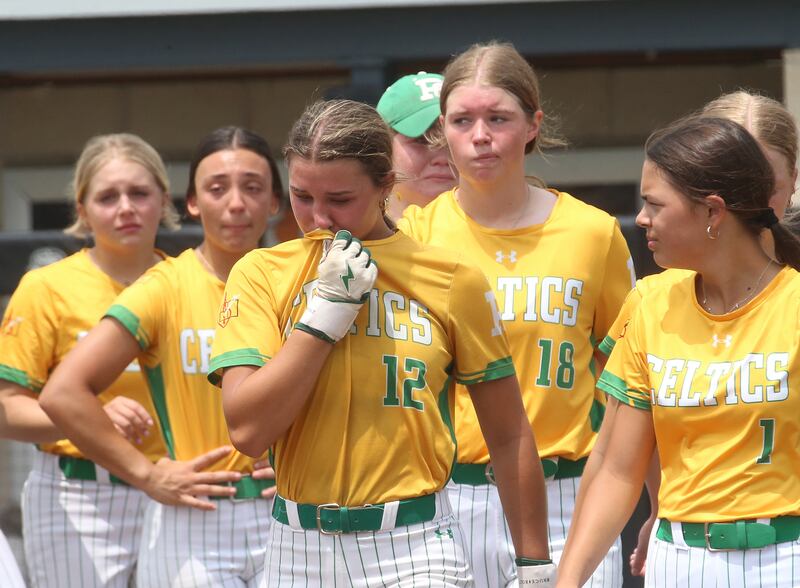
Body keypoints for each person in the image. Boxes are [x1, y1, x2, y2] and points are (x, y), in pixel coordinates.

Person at [209, 99, 555, 586]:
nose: (319, 217)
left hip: (415, 547)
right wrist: (322, 319)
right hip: (297, 546)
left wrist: (534, 562)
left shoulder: (451, 279)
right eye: (302, 196)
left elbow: (508, 432)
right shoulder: (262, 271)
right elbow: (247, 430)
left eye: (340, 198)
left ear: (386, 187)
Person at [399, 41, 632, 586]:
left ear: (532, 125)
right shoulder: (414, 237)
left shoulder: (593, 232)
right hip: (452, 499)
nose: (480, 135)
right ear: (443, 131)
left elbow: (628, 379)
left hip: (570, 492)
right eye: (462, 120)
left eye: (498, 118)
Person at [557, 115, 800, 587]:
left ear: (713, 212)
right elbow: (614, 468)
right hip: (679, 560)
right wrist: (567, 582)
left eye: (653, 204)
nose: (642, 218)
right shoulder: (649, 302)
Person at [40, 126, 283, 587]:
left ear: (275, 202)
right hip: (194, 521)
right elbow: (63, 392)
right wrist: (146, 475)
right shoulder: (163, 285)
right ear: (192, 202)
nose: (236, 203)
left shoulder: (301, 281)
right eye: (217, 188)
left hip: (288, 513)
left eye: (253, 188)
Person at [0, 132, 179, 587]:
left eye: (140, 193)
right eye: (107, 196)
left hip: (178, 488)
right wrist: (90, 417)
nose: (126, 207)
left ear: (164, 200)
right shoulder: (46, 287)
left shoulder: (189, 282)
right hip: (78, 493)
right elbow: (7, 409)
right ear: (81, 210)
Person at [376, 72, 457, 220]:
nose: (442, 158)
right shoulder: (351, 235)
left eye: (452, 142)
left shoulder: (500, 231)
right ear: (382, 149)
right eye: (422, 140)